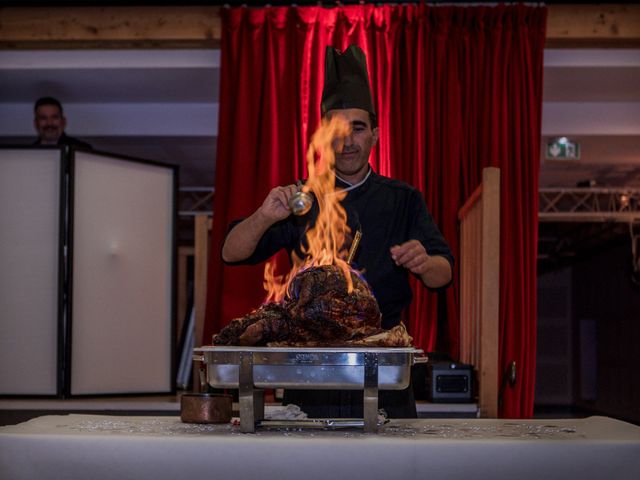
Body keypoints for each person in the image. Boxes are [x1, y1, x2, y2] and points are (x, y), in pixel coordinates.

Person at [222, 45, 453, 418]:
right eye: (338, 129)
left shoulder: (403, 199)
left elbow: (444, 274)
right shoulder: (300, 199)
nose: (348, 141)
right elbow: (231, 253)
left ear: (375, 134)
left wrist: (425, 262)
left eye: (358, 128)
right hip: (312, 369)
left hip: (384, 364)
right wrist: (265, 216)